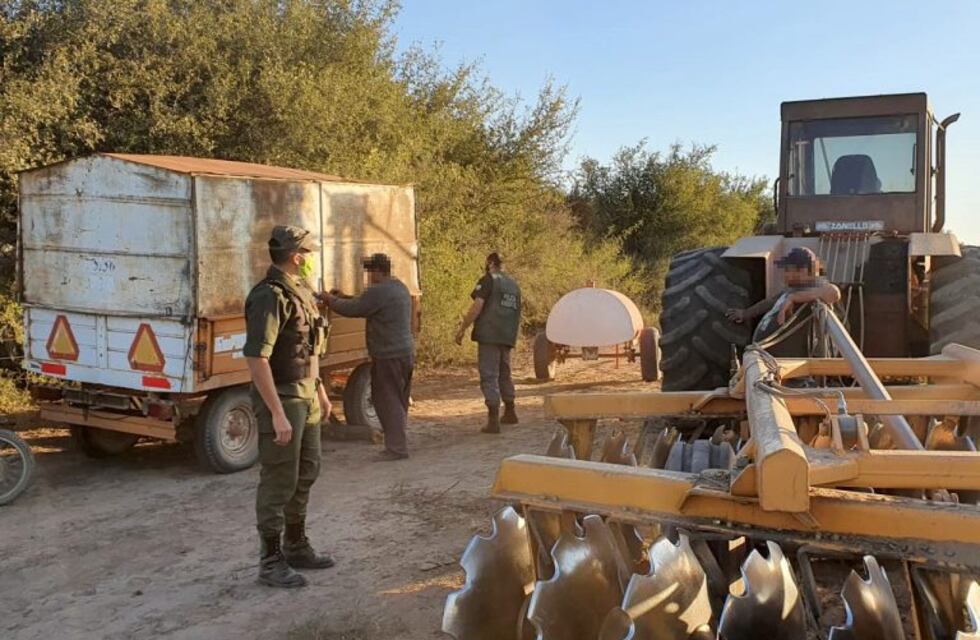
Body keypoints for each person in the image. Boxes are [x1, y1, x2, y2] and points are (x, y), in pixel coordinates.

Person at [243, 225, 335, 589]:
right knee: (279, 479)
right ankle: (270, 561)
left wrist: (321, 391)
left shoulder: (301, 292)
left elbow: (307, 349)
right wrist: (277, 412)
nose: (311, 259)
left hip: (306, 395)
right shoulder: (270, 295)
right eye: (308, 253)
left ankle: (295, 544)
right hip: (283, 397)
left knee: (307, 470)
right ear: (296, 256)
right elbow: (256, 358)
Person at [321, 253, 415, 461]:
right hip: (405, 353)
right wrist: (342, 296)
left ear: (378, 272)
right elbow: (365, 303)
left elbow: (355, 309)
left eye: (370, 272)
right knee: (398, 399)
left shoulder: (379, 291)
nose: (368, 277)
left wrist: (330, 300)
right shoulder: (399, 287)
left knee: (386, 400)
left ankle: (396, 449)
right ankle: (398, 442)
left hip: (388, 355)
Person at [454, 252, 522, 434]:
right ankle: (510, 411)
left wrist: (462, 328)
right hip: (507, 335)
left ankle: (493, 420)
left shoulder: (488, 280)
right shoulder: (513, 285)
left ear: (490, 263)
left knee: (489, 374)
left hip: (489, 334)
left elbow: (477, 306)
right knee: (504, 372)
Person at [726, 246, 841, 344]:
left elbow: (833, 293)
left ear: (804, 270)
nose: (785, 274)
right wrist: (745, 313)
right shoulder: (792, 289)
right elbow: (770, 302)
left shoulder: (818, 287)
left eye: (788, 269)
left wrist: (795, 298)